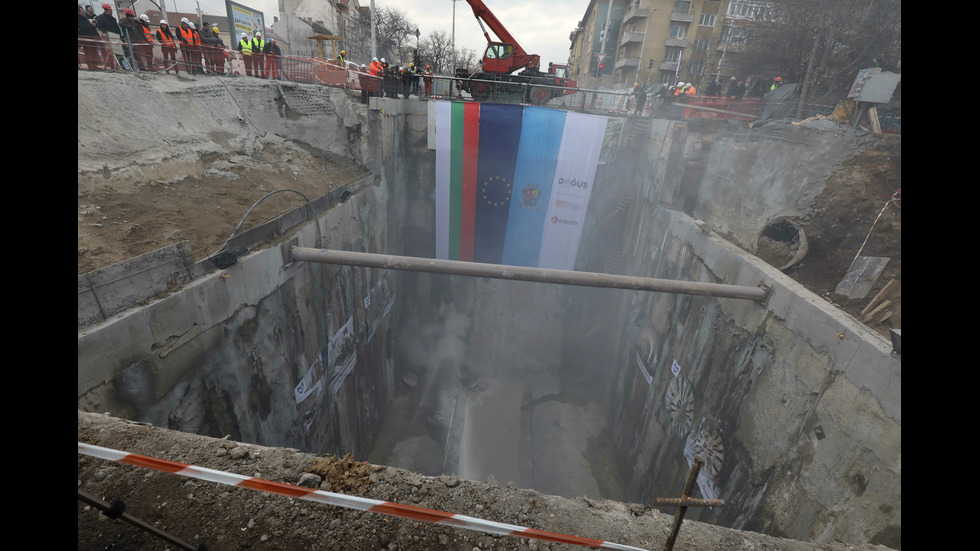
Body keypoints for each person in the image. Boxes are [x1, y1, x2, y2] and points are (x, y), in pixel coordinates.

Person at [95, 3, 124, 69]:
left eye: (111, 12)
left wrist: (120, 37)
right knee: (109, 52)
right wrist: (106, 33)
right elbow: (100, 27)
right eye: (109, 11)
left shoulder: (113, 19)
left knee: (118, 52)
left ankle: (119, 65)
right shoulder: (100, 18)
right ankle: (111, 66)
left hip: (115, 37)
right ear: (106, 11)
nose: (111, 13)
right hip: (108, 37)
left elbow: (117, 28)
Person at [78, 4, 102, 71]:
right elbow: (83, 28)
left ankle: (94, 65)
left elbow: (87, 26)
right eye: (82, 12)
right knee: (88, 52)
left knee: (94, 52)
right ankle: (91, 66)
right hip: (84, 37)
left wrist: (92, 24)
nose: (83, 13)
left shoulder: (84, 18)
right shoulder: (79, 18)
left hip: (90, 36)